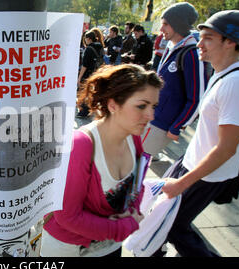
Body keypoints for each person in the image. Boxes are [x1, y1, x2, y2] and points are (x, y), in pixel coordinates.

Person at [40, 64, 163, 257]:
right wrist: (126, 225)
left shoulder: (134, 136)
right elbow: (67, 217)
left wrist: (132, 210)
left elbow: (136, 185)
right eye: (141, 106)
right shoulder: (80, 145)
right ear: (113, 105)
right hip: (72, 249)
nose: (151, 115)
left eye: (153, 106)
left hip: (111, 245)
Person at [154, 10, 239, 257]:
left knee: (173, 227)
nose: (199, 43)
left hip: (207, 175)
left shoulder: (236, 83)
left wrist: (182, 182)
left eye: (208, 38)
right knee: (161, 216)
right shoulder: (222, 73)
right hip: (192, 161)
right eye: (200, 36)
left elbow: (227, 148)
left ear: (230, 42)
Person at [142, 2, 206, 161]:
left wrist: (178, 127)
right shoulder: (172, 48)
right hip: (150, 117)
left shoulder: (192, 54)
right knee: (132, 162)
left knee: (136, 163)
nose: (161, 29)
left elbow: (197, 99)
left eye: (165, 24)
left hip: (162, 124)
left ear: (178, 25)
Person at [77, 29, 105, 117]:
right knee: (90, 92)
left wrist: (79, 77)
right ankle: (89, 109)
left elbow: (84, 65)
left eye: (85, 39)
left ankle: (83, 111)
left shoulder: (89, 49)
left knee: (83, 92)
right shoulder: (100, 46)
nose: (85, 40)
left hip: (87, 73)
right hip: (96, 72)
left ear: (88, 39)